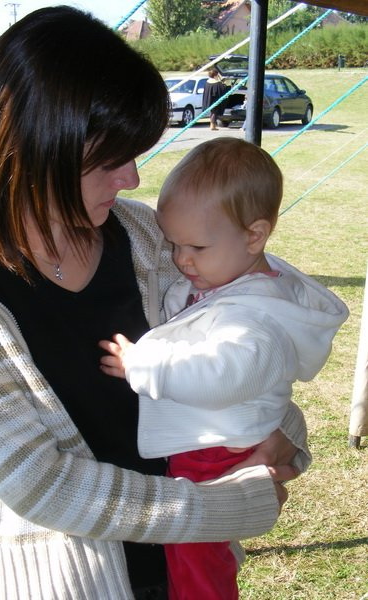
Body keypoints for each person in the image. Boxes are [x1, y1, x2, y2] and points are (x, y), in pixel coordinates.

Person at [0, 8, 310, 600]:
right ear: (35, 144)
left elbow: (246, 343)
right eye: (109, 160)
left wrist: (282, 432)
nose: (131, 179)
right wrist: (222, 507)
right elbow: (37, 482)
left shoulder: (148, 237)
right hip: (71, 584)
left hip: (189, 572)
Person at [99, 138, 349, 600]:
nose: (181, 259)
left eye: (196, 246)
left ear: (255, 236)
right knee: (200, 553)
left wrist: (145, 365)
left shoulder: (254, 318)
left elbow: (221, 376)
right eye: (174, 244)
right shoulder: (234, 278)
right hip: (215, 440)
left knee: (196, 554)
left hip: (212, 449)